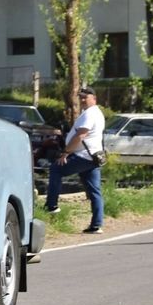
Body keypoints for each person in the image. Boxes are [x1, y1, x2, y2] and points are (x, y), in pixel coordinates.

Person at [43, 87, 106, 234]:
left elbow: (80, 136)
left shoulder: (90, 114)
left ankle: (52, 205)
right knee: (94, 191)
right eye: (81, 97)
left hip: (83, 155)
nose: (83, 100)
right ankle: (96, 224)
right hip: (93, 157)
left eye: (86, 97)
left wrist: (66, 152)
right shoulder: (96, 113)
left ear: (94, 98)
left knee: (56, 169)